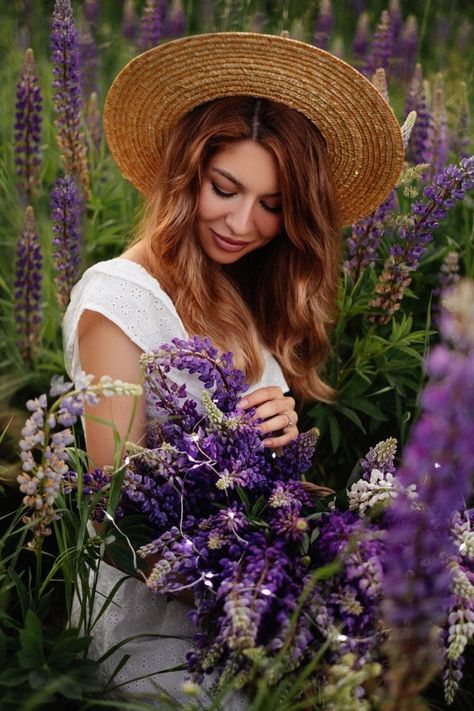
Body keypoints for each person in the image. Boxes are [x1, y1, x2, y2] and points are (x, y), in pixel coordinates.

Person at [63, 31, 403, 707]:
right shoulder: (118, 301)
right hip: (158, 633)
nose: (244, 222)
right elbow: (119, 515)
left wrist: (280, 434)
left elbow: (267, 480)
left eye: (273, 204)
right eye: (226, 188)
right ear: (188, 172)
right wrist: (272, 598)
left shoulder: (238, 290)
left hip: (256, 608)